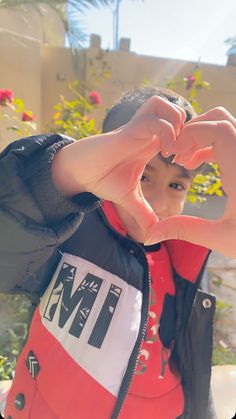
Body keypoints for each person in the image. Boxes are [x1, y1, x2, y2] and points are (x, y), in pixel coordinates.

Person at [1, 86, 236, 419]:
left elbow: (187, 356)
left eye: (176, 185)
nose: (156, 201)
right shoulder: (71, 229)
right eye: (143, 175)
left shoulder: (186, 257)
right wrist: (63, 175)